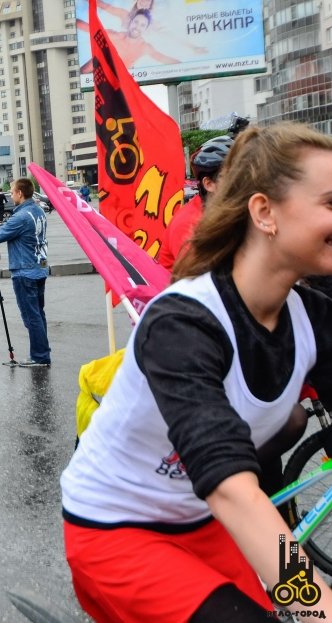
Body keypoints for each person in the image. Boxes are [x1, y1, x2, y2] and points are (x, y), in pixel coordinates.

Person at [60, 123, 332, 622]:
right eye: (331, 203)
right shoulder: (183, 322)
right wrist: (318, 604)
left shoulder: (313, 315)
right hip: (117, 530)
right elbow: (232, 487)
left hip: (202, 521)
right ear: (264, 212)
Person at [0, 178, 50, 367]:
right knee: (38, 314)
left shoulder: (21, 217)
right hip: (39, 267)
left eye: (12, 191)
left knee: (31, 316)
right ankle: (42, 352)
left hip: (25, 271)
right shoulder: (38, 211)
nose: (10, 194)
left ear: (20, 193)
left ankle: (39, 356)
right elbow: (15, 231)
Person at [157, 135, 233, 271]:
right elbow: (202, 278)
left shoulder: (224, 212)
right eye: (232, 176)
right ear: (209, 184)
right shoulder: (188, 225)